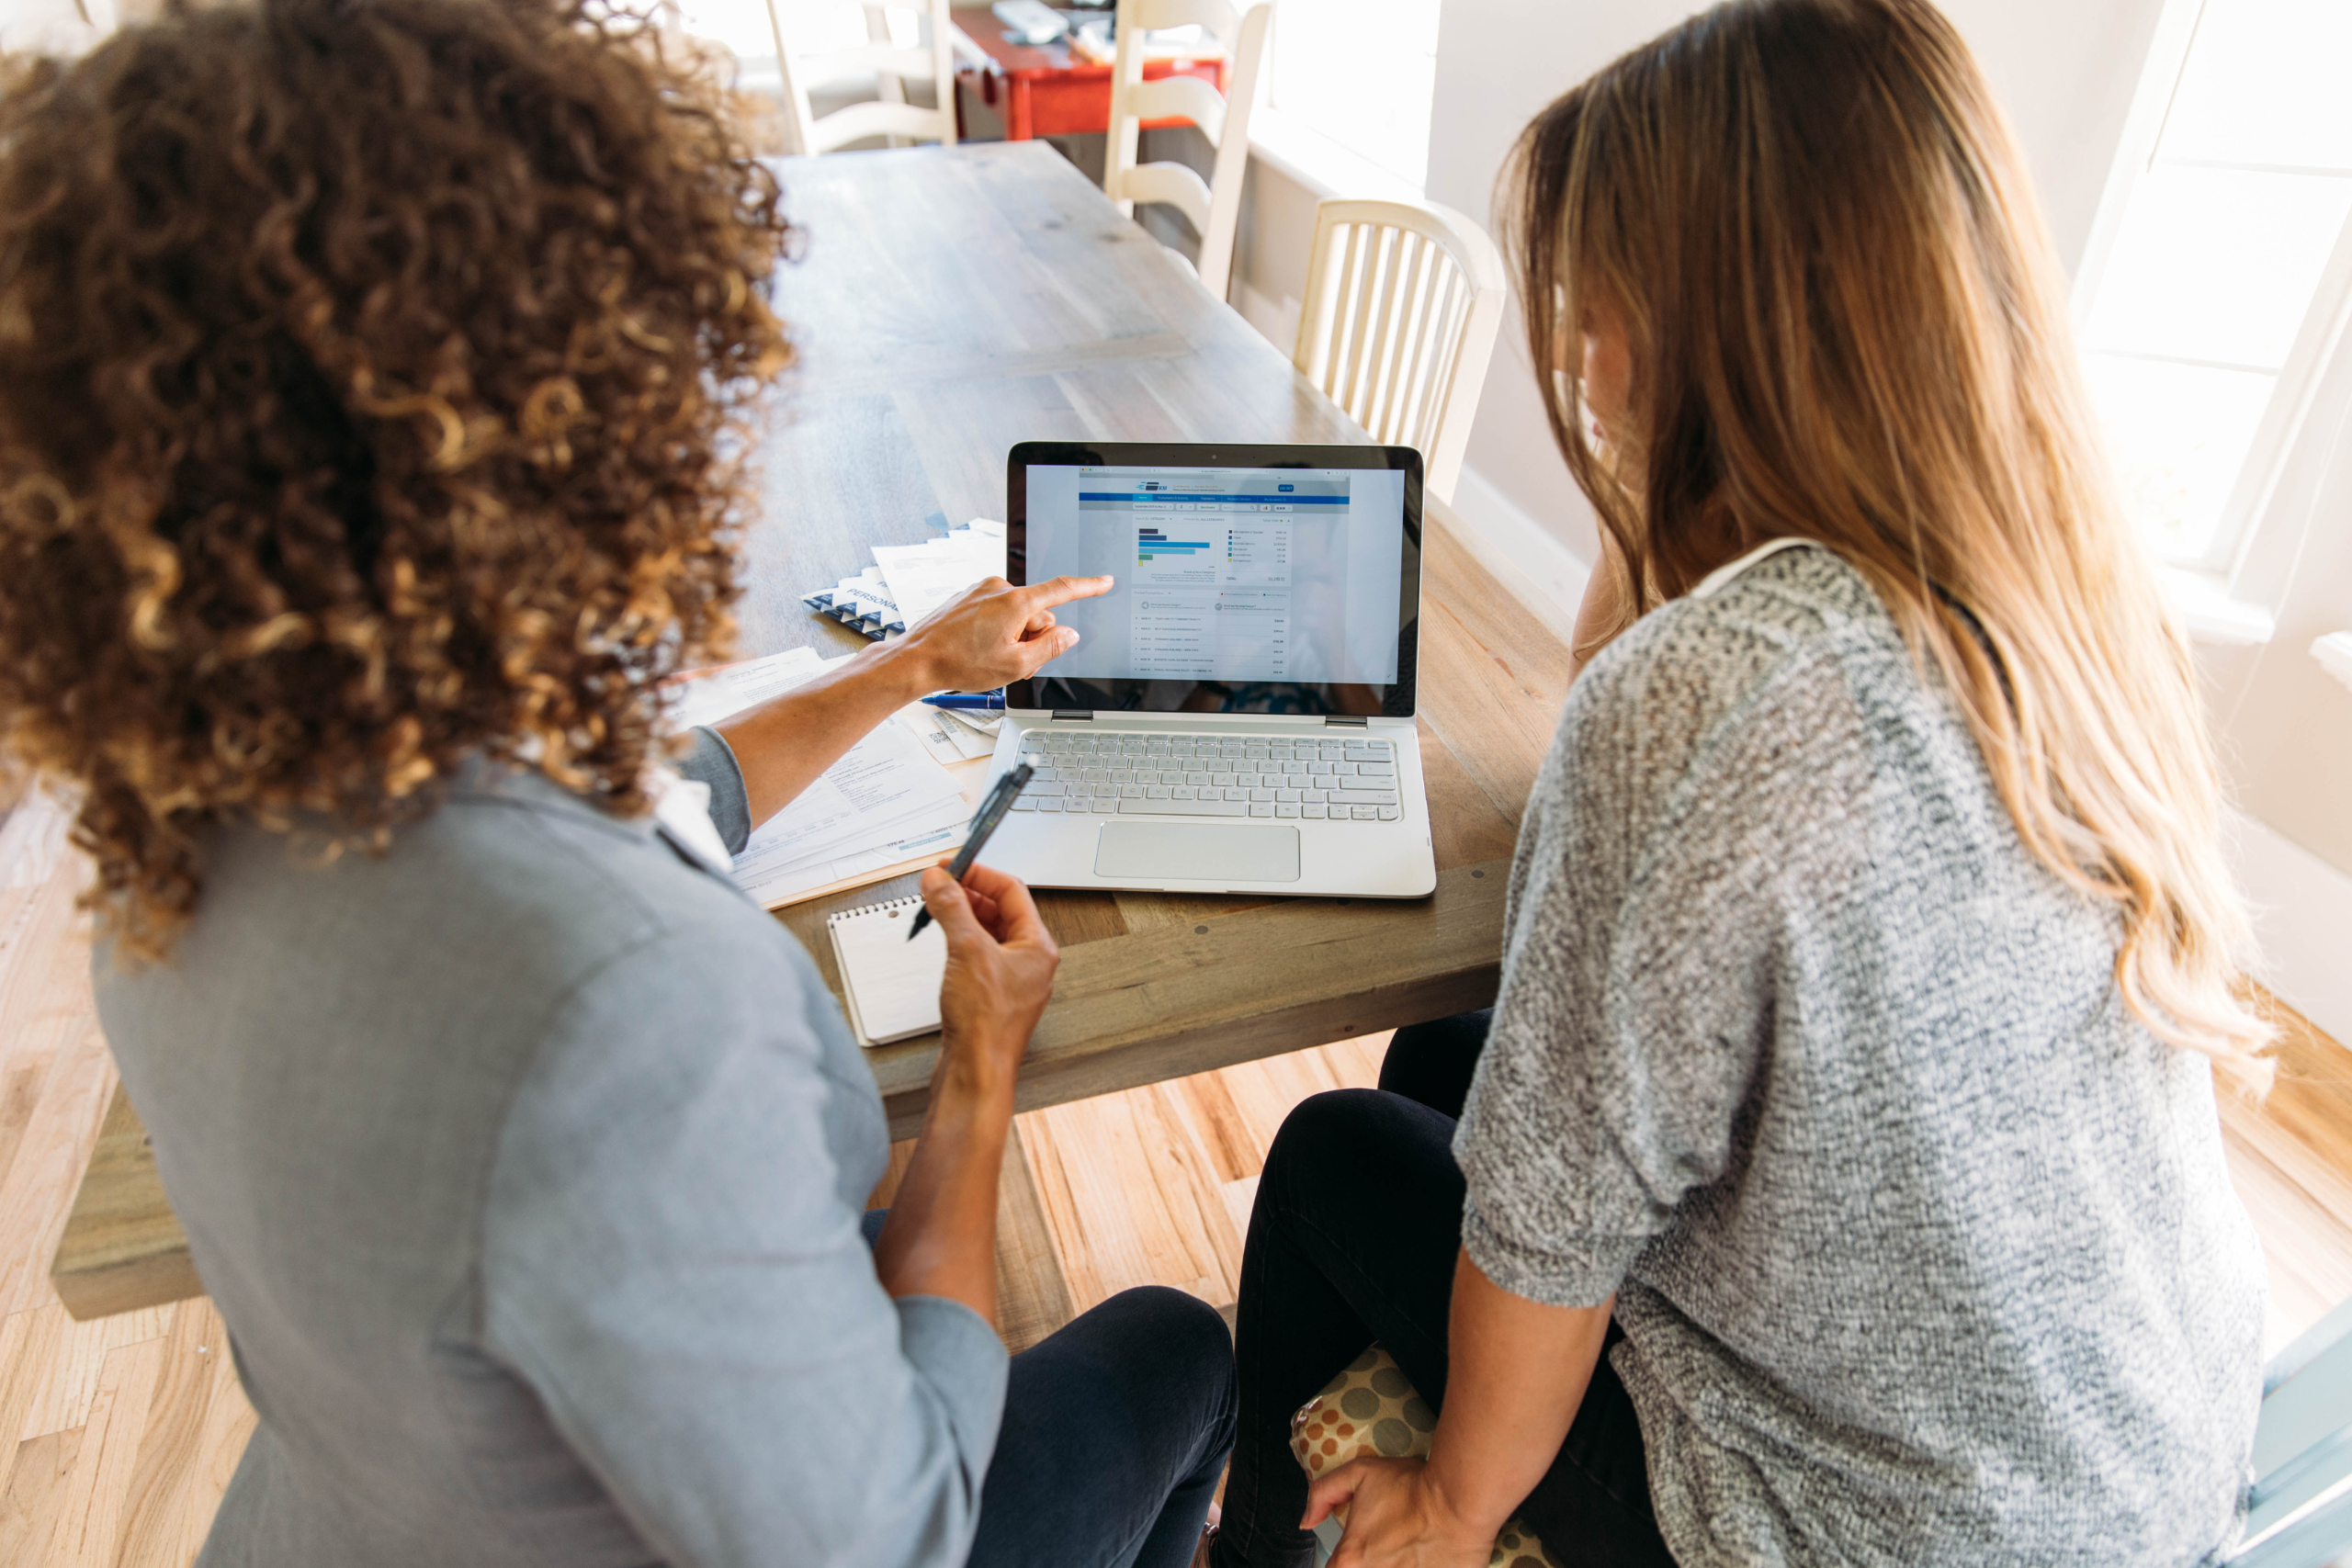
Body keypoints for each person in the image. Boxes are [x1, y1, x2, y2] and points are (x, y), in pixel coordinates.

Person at [0, 2, 1233, 1565]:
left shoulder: (191, 824)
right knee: (1181, 1346)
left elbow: (671, 787)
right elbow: (900, 1530)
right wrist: (981, 1070)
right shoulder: (629, 1004)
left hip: (362, 1506)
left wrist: (913, 666)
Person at [1209, 2, 2273, 1565]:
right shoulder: (2057, 598)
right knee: (1447, 1049)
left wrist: (1454, 1498)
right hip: (2137, 1465)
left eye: (1596, 298)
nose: (1573, 351)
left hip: (1878, 1534)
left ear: (1714, 315)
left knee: (1322, 1159)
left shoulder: (1712, 694)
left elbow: (1550, 1228)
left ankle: (1263, 1551)